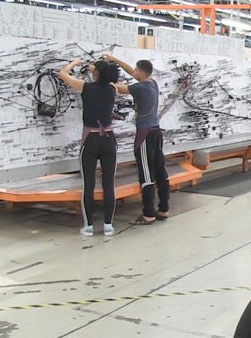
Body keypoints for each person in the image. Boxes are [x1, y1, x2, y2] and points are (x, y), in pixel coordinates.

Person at [104, 54, 170, 226]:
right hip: (156, 133)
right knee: (160, 170)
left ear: (141, 71)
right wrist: (116, 61)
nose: (134, 72)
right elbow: (132, 73)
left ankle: (148, 214)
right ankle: (163, 209)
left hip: (145, 135)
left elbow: (117, 88)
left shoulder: (139, 88)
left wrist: (100, 77)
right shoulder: (152, 83)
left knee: (146, 174)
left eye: (136, 70)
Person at [57, 59, 120, 237]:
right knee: (109, 185)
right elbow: (106, 79)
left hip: (90, 140)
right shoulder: (113, 88)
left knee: (89, 185)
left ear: (96, 73)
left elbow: (62, 74)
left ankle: (89, 227)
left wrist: (74, 62)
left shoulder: (85, 87)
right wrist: (98, 70)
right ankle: (108, 226)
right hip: (109, 140)